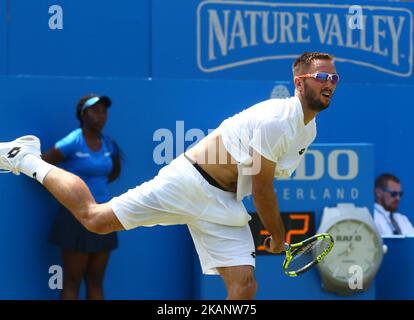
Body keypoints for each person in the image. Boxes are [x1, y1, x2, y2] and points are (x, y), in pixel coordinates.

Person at [0, 52, 338, 299]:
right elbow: (263, 190)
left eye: (334, 78)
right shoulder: (276, 118)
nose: (330, 84)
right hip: (189, 183)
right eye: (322, 77)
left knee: (245, 287)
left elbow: (262, 182)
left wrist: (276, 234)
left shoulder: (307, 132)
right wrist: (277, 238)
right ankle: (26, 158)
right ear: (299, 82)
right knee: (95, 218)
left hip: (226, 205)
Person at [43, 94, 121, 300]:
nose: (101, 116)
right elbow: (43, 165)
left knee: (96, 281)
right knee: (72, 281)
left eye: (104, 111)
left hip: (104, 213)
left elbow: (113, 171)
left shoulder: (108, 143)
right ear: (82, 114)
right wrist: (67, 190)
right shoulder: (72, 141)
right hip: (74, 216)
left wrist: (96, 190)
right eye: (95, 111)